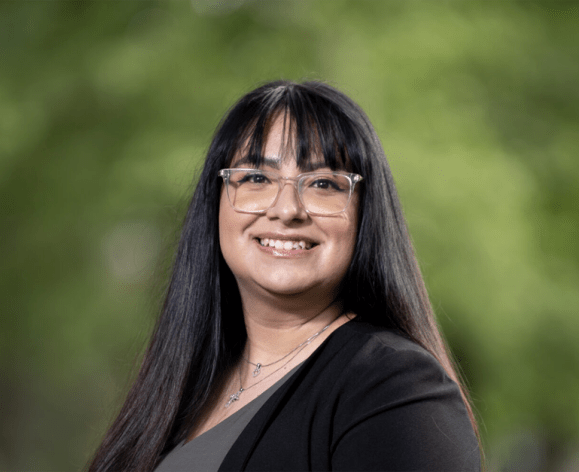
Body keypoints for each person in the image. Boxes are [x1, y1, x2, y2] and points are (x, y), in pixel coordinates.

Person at [88, 80, 481, 471]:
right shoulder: (186, 384)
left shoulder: (394, 387)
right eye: (256, 178)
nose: (287, 209)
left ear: (364, 215)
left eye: (323, 183)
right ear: (216, 202)